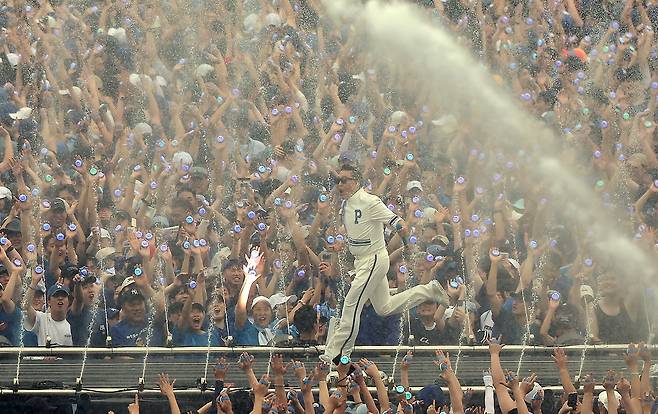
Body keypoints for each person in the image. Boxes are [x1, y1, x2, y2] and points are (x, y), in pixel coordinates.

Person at [321, 164, 449, 364]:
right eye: (338, 180)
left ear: (356, 183)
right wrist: (342, 246)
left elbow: (399, 224)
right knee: (384, 307)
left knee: (351, 303)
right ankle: (428, 291)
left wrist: (407, 245)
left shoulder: (370, 201)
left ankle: (336, 354)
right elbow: (360, 235)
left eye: (344, 180)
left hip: (373, 260)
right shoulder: (347, 205)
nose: (339, 184)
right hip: (361, 260)